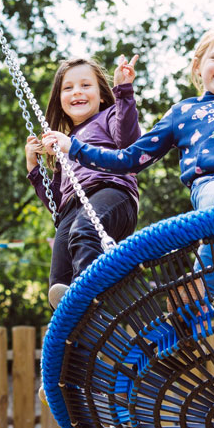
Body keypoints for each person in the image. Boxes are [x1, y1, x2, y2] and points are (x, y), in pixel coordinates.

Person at [42, 27, 214, 409]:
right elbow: (129, 159)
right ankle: (194, 297)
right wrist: (76, 147)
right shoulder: (184, 112)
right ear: (198, 66)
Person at [26, 55, 141, 308]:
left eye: (85, 85)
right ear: (60, 99)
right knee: (59, 278)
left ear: (102, 94)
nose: (77, 92)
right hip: (72, 209)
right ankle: (78, 343)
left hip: (111, 193)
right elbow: (57, 204)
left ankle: (88, 306)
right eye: (68, 88)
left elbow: (128, 142)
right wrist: (34, 168)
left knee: (85, 231)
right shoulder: (62, 143)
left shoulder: (111, 115)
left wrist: (123, 91)